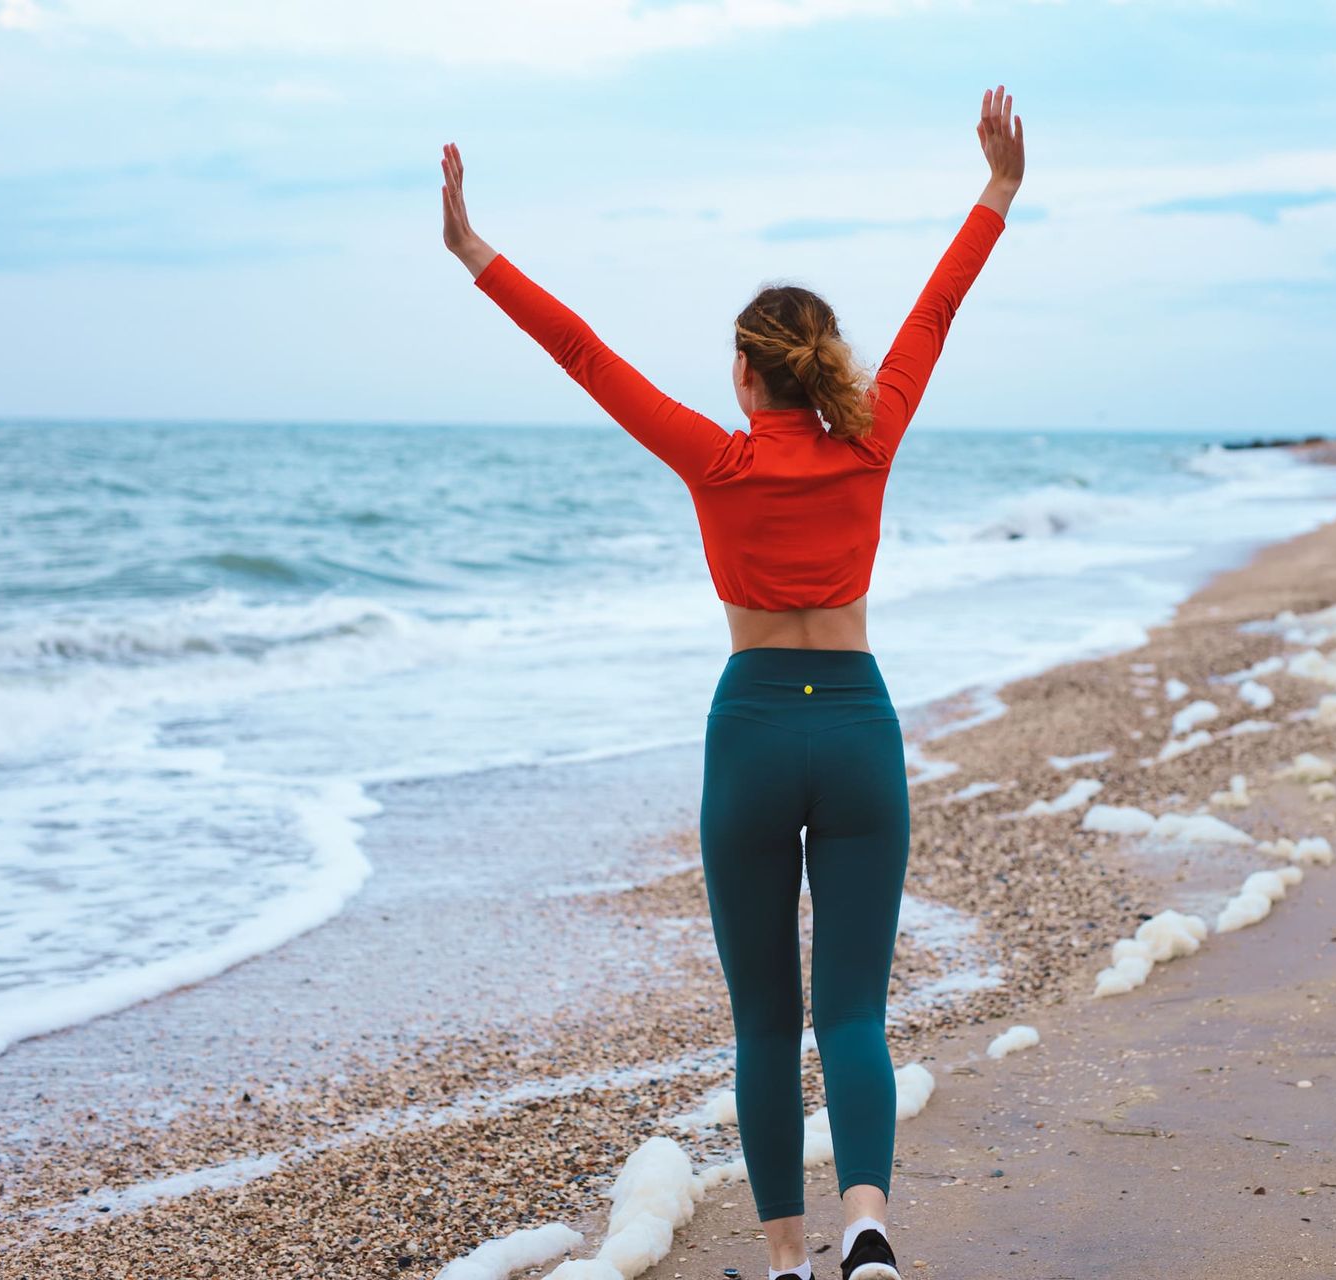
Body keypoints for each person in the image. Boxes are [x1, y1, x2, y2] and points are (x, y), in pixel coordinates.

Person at [440, 84, 1024, 1280]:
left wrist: (471, 250)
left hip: (753, 730)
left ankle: (787, 1262)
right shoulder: (873, 437)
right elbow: (938, 308)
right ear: (824, 370)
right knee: (854, 1008)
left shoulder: (716, 457)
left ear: (752, 380)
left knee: (767, 1019)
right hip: (857, 723)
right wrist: (1000, 187)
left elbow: (583, 353)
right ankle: (868, 1222)